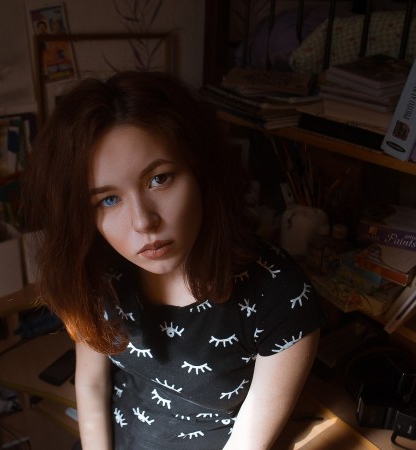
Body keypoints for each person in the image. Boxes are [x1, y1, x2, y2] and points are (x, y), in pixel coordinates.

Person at [22, 70, 321, 450]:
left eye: (159, 179)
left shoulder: (280, 296)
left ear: (201, 171)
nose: (143, 222)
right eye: (108, 200)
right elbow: (93, 384)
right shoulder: (100, 271)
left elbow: (248, 444)